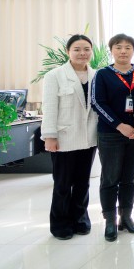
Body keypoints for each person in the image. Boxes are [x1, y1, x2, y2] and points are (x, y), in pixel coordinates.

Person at [91, 33, 134, 242]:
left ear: (133, 50)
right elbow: (97, 103)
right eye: (118, 47)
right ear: (112, 50)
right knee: (110, 177)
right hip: (110, 134)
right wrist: (119, 125)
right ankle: (110, 220)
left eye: (127, 47)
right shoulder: (102, 74)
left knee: (129, 178)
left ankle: (126, 217)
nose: (123, 51)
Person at [41, 34, 99, 240]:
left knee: (83, 183)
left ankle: (80, 219)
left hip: (89, 137)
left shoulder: (97, 75)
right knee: (63, 184)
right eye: (77, 49)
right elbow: (49, 107)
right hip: (64, 137)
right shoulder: (55, 75)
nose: (82, 53)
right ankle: (60, 224)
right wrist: (50, 136)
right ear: (68, 52)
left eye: (86, 49)